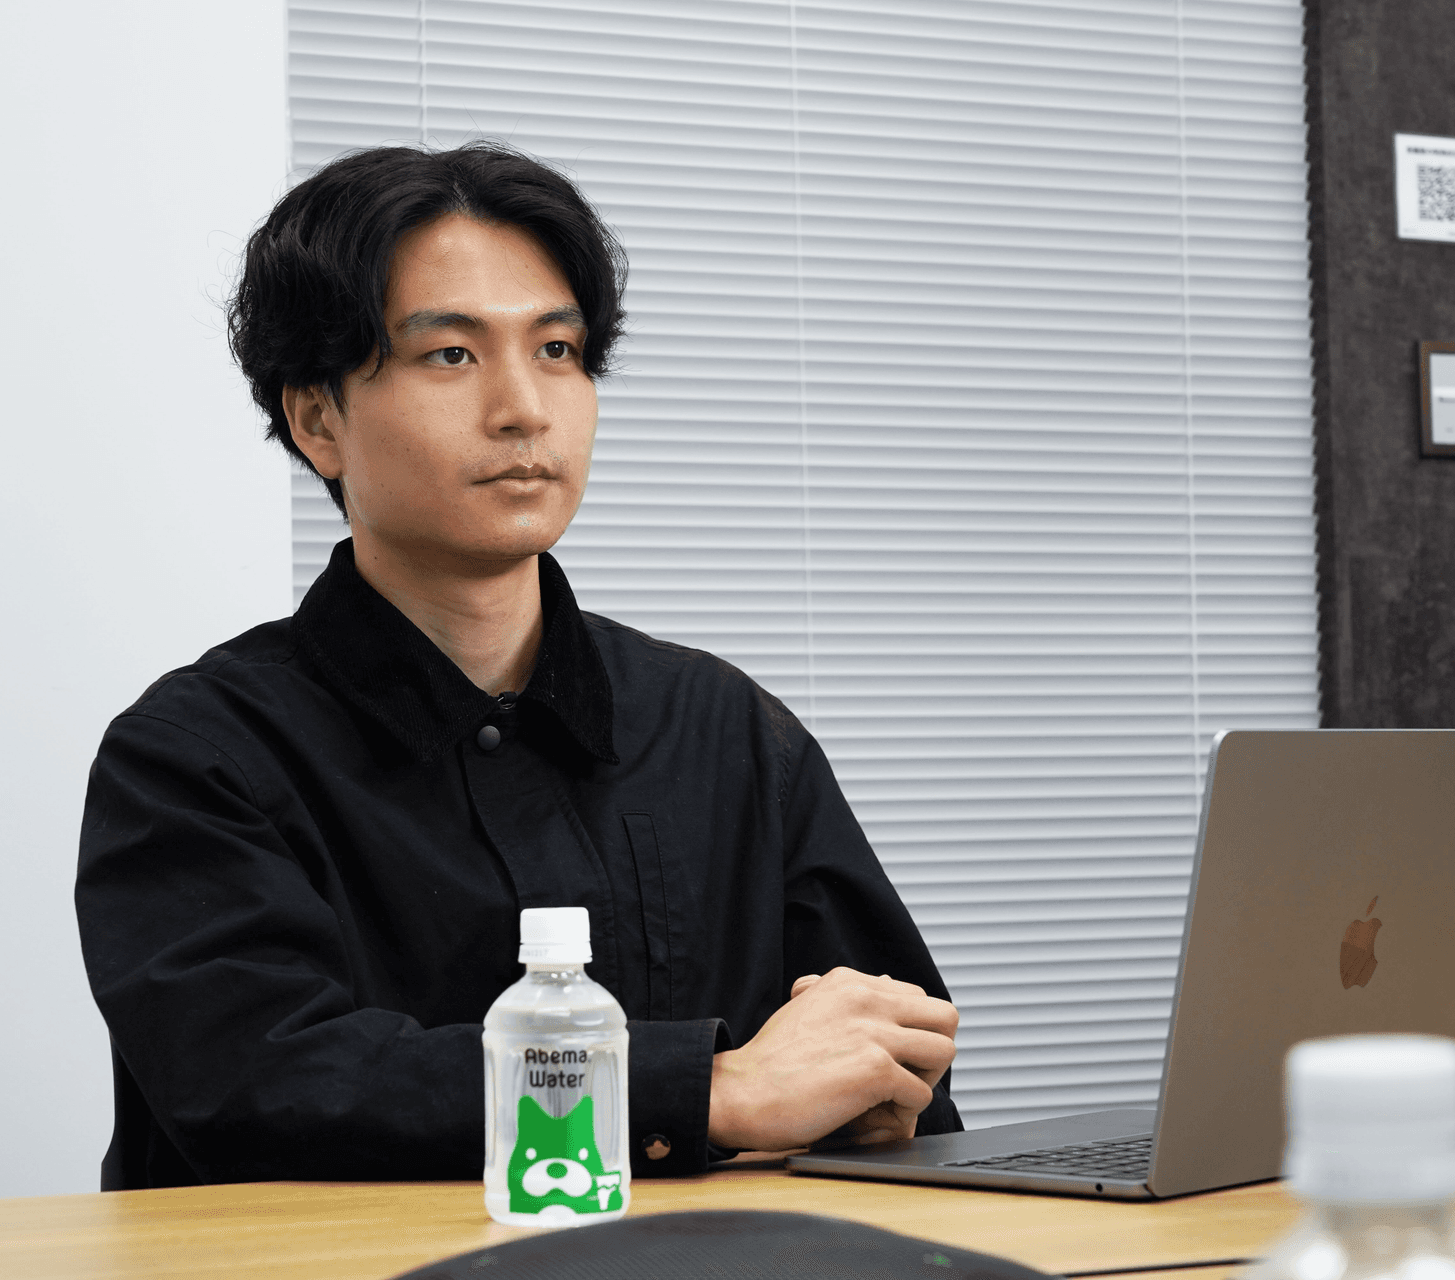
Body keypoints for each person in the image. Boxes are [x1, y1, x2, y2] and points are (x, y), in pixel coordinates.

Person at [75, 141, 961, 1190]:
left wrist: (871, 1089)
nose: (524, 409)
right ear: (317, 418)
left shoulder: (722, 726)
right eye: (451, 355)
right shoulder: (194, 757)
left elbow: (902, 1069)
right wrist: (710, 1091)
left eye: (557, 350)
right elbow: (259, 1086)